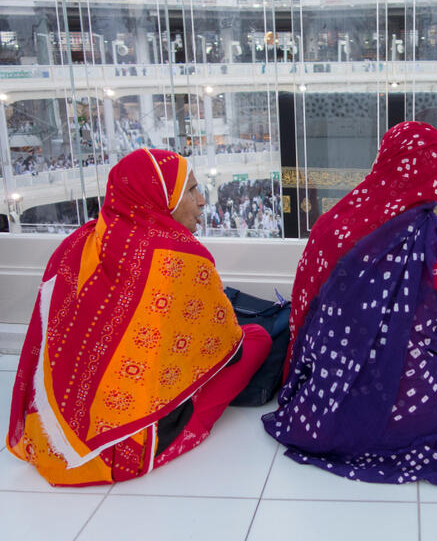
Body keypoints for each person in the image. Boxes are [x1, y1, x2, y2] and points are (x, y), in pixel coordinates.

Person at [263, 121, 437, 493]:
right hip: (420, 412)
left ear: (383, 161)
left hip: (329, 407)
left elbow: (302, 316)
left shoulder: (331, 228)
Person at [6, 148, 271, 486]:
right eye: (190, 190)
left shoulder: (76, 244)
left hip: (50, 432)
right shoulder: (178, 258)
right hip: (126, 448)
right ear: (158, 199)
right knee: (257, 339)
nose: (203, 200)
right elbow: (225, 343)